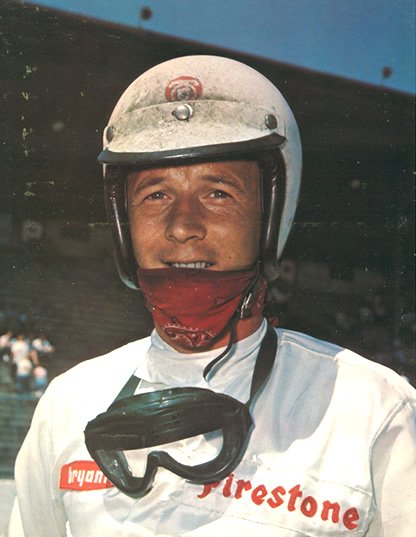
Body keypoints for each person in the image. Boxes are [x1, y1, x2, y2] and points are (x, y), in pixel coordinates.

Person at [8, 55, 415, 537]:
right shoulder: (68, 405)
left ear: (270, 216)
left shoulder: (376, 412)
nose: (183, 226)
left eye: (218, 193)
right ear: (123, 224)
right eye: (156, 194)